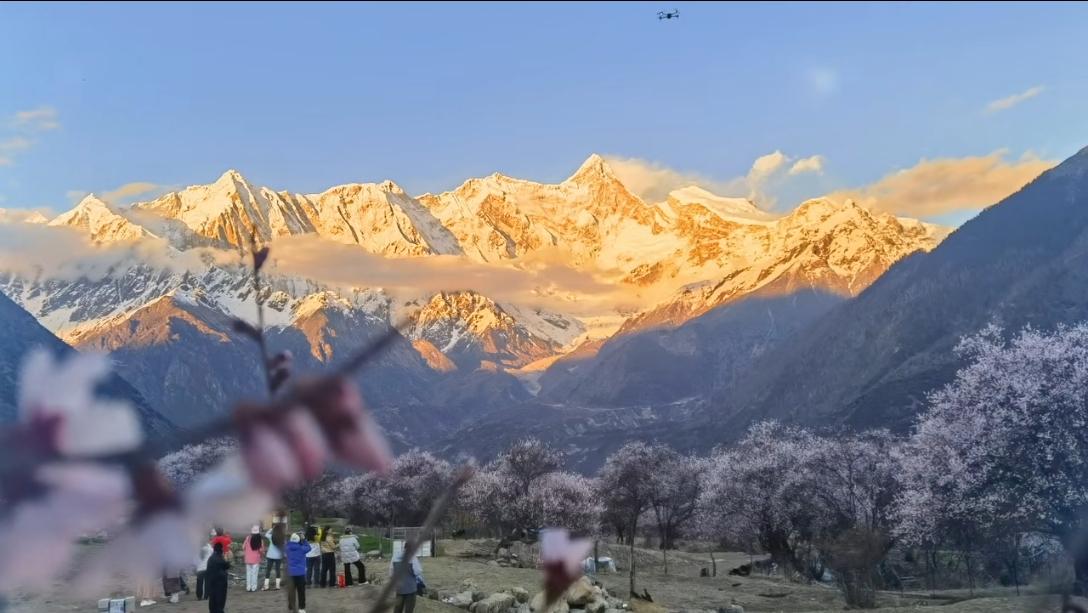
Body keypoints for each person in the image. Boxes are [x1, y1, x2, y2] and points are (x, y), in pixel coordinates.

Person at [286, 532, 309, 613]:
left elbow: (286, 545)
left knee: (291, 592)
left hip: (290, 574)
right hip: (300, 574)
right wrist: (304, 539)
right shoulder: (302, 548)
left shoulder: (287, 548)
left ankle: (291, 607)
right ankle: (301, 608)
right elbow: (309, 547)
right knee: (301, 592)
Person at [206, 542, 231, 613]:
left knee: (212, 599)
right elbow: (227, 566)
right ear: (221, 549)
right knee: (220, 599)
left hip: (212, 582)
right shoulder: (220, 558)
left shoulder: (211, 558)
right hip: (220, 582)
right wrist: (226, 558)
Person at [243, 525, 265, 592]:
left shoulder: (247, 538)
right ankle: (253, 588)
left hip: (248, 559)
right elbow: (261, 550)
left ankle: (248, 587)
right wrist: (262, 554)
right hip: (256, 559)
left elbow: (243, 547)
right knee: (254, 574)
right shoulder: (260, 540)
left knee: (248, 573)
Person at [264, 523, 285, 590]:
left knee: (268, 570)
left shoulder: (271, 536)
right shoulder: (282, 538)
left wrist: (271, 529)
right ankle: (277, 586)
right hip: (278, 556)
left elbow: (266, 534)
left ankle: (266, 586)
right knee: (278, 570)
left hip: (270, 555)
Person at [195, 535, 214, 601]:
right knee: (207, 582)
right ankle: (206, 595)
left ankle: (199, 596)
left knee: (199, 582)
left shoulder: (199, 548)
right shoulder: (210, 547)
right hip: (208, 566)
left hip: (200, 568)